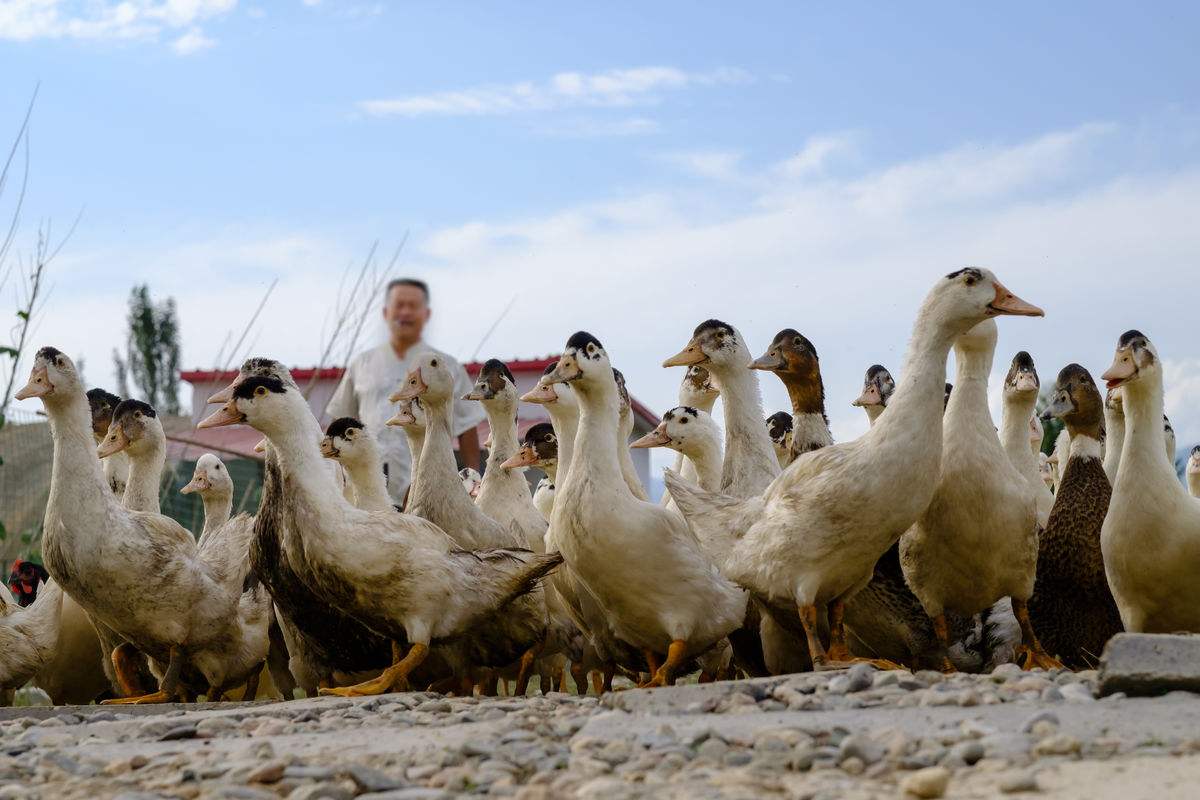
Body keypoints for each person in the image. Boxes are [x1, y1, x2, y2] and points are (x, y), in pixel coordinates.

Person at [326, 278, 484, 506]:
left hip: (429, 490)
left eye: (413, 306)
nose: (406, 312)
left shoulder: (445, 366)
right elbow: (339, 422)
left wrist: (472, 483)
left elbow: (467, 428)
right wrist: (336, 481)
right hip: (364, 490)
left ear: (426, 314)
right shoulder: (361, 364)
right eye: (399, 305)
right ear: (385, 312)